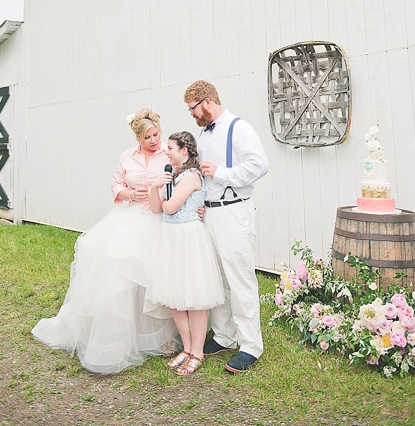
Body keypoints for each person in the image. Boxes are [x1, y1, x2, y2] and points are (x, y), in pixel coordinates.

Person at [31, 108, 177, 374]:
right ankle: (123, 335)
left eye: (156, 134)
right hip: (129, 216)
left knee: (156, 275)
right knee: (119, 273)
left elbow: (178, 179)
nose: (154, 140)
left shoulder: (168, 154)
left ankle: (162, 334)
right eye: (148, 137)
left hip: (158, 218)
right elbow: (115, 184)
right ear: (138, 138)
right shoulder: (126, 157)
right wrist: (130, 194)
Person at [183, 80, 269, 373]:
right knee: (216, 277)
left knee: (239, 278)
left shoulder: (239, 127)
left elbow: (260, 165)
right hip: (210, 214)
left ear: (206, 102)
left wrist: (223, 173)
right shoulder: (202, 134)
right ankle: (224, 335)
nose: (192, 115)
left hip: (235, 212)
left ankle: (250, 346)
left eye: (193, 109)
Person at [145, 131, 224, 376]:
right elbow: (157, 208)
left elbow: (170, 206)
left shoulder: (191, 176)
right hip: (171, 237)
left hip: (188, 238)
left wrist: (165, 193)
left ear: (184, 151)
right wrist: (154, 186)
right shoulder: (174, 176)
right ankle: (187, 348)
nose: (166, 151)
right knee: (175, 298)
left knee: (193, 298)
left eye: (170, 147)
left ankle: (198, 352)